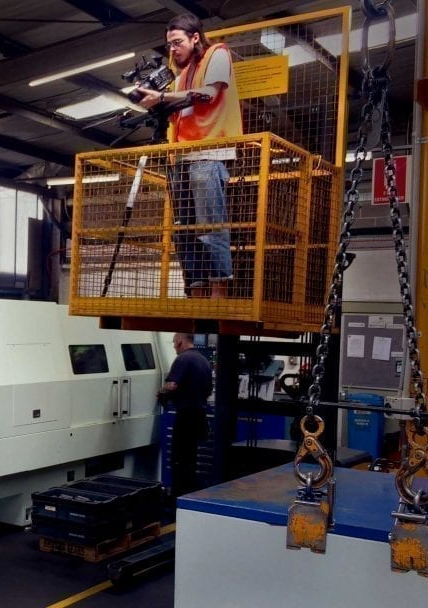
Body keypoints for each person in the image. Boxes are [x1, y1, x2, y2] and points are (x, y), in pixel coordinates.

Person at [137, 14, 243, 298]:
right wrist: (153, 104)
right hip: (181, 156)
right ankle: (196, 292)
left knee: (210, 226)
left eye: (177, 42)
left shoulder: (217, 54)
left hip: (209, 152)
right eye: (169, 44)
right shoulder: (181, 76)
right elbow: (178, 109)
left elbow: (208, 95)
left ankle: (219, 292)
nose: (173, 49)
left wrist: (160, 98)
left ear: (195, 37)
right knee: (184, 231)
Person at [157, 333, 213, 497]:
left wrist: (161, 393)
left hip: (186, 416)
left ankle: (176, 498)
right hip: (199, 416)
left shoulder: (183, 359)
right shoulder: (203, 360)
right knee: (190, 458)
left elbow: (172, 385)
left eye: (174, 342)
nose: (174, 346)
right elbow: (208, 390)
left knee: (179, 458)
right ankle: (189, 495)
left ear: (180, 341)